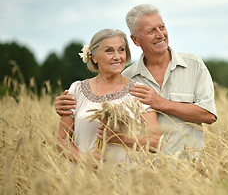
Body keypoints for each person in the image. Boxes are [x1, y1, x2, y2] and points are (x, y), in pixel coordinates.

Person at [56, 4, 217, 158]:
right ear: (136, 40)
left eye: (162, 27)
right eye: (151, 31)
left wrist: (160, 102)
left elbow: (209, 115)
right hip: (145, 174)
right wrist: (67, 107)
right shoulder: (127, 78)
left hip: (190, 168)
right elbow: (66, 135)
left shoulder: (193, 65)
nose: (160, 34)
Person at [56, 29, 161, 168]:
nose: (117, 56)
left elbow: (155, 143)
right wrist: (83, 159)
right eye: (109, 51)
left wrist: (120, 139)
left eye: (121, 50)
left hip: (127, 182)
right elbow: (62, 140)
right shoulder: (77, 90)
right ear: (94, 57)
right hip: (83, 182)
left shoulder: (138, 91)